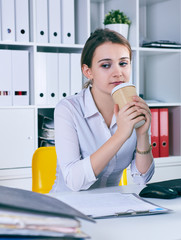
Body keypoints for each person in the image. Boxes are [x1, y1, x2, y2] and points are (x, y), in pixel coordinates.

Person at [51, 28, 154, 192]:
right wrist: (121, 135)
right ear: (88, 71)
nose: (118, 72)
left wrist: (142, 134)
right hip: (70, 206)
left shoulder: (132, 107)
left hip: (112, 204)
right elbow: (74, 181)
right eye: (106, 65)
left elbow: (142, 177)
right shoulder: (68, 109)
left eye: (123, 63)